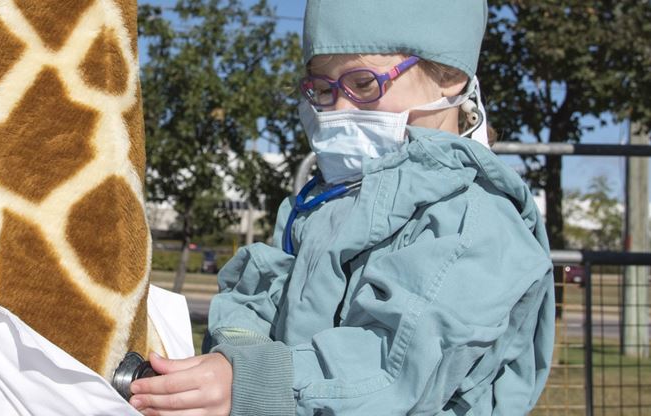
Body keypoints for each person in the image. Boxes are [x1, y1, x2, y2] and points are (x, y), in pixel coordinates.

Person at [130, 1, 555, 414]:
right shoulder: (326, 199)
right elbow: (265, 285)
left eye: (364, 83)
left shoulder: (476, 222)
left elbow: (397, 364)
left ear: (450, 76)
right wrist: (238, 352)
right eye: (322, 88)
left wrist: (255, 383)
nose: (339, 109)